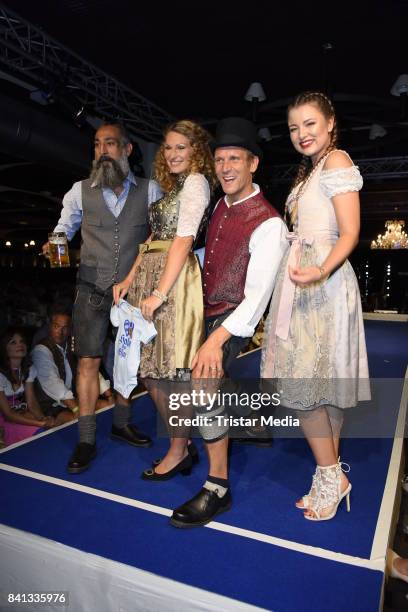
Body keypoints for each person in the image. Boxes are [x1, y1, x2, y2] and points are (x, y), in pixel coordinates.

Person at [170, 117, 288, 527]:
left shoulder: (270, 223)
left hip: (234, 318)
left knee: (204, 383)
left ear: (253, 163)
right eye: (220, 160)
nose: (226, 168)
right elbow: (212, 255)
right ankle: (250, 421)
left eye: (235, 159)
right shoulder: (221, 203)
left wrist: (214, 341)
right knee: (197, 382)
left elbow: (255, 301)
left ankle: (217, 488)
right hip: (205, 308)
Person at [261, 91, 370, 521]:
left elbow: (350, 233)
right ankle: (328, 477)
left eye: (309, 124)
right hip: (304, 281)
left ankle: (331, 475)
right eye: (293, 128)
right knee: (318, 390)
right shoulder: (310, 172)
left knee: (304, 389)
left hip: (321, 284)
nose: (301, 134)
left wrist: (319, 270)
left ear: (329, 124)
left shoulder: (338, 161)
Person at [42, 122, 162, 474]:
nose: (102, 150)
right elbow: (64, 228)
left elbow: (160, 235)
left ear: (127, 150)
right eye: (97, 145)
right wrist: (56, 241)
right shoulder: (80, 191)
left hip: (133, 293)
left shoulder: (150, 190)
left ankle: (122, 423)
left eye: (110, 143)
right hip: (91, 290)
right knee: (88, 363)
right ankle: (86, 438)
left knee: (129, 362)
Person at [113, 119, 217, 479]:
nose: (172, 154)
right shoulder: (173, 187)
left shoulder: (197, 183)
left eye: (181, 148)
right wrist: (129, 278)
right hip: (150, 275)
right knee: (151, 371)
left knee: (171, 371)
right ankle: (181, 442)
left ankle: (177, 449)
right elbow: (154, 237)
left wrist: (159, 291)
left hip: (173, 281)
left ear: (196, 152)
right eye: (168, 147)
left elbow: (183, 241)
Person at [31, 302, 113, 422]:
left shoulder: (73, 345)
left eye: (64, 328)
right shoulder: (41, 350)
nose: (60, 331)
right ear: (50, 326)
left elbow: (90, 370)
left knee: (107, 406)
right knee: (78, 421)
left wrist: (109, 395)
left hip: (75, 399)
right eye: (56, 326)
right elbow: (53, 384)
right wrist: (76, 409)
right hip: (53, 406)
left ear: (70, 329)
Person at [0, 327, 55, 446]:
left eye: (22, 341)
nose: (20, 345)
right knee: (40, 432)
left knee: (49, 430)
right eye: (13, 342)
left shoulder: (28, 370)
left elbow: (32, 403)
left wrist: (42, 419)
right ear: (4, 348)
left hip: (20, 414)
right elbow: (8, 415)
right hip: (4, 420)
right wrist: (39, 424)